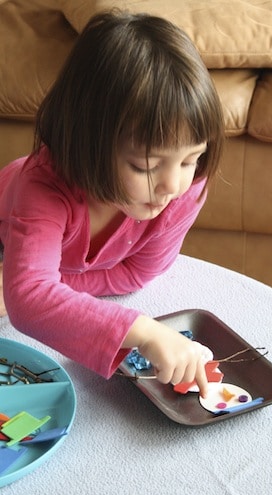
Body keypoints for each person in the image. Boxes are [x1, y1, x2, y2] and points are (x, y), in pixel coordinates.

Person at [0, 11, 224, 397]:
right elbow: (30, 301)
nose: (172, 185)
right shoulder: (42, 185)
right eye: (146, 165)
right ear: (88, 142)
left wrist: (41, 284)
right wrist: (142, 330)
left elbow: (137, 274)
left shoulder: (185, 187)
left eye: (190, 160)